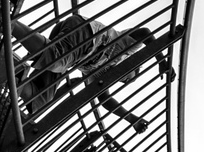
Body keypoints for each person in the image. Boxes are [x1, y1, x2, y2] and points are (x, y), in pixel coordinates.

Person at [12, 15, 174, 132]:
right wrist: (161, 60)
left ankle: (15, 73)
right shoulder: (126, 49)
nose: (121, 78)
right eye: (127, 75)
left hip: (70, 51)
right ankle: (11, 24)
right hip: (86, 33)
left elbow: (105, 101)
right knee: (56, 59)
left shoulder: (99, 76)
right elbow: (145, 33)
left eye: (122, 81)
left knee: (40, 99)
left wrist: (131, 119)